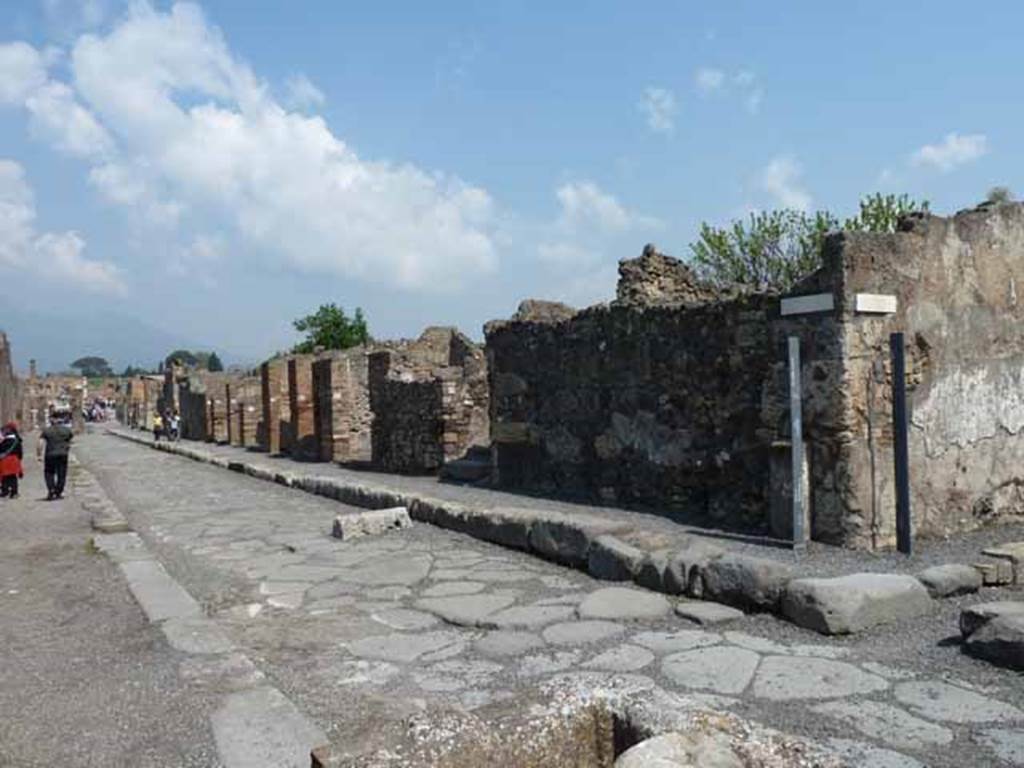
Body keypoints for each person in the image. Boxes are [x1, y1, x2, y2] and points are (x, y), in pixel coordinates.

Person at [37, 417, 73, 500]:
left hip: (50, 454)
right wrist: (67, 448)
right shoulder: (66, 430)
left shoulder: (47, 431)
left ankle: (51, 489)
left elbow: (40, 443)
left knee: (49, 473)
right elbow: (70, 441)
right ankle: (59, 491)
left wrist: (39, 455)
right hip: (63, 454)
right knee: (62, 473)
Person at [0, 422, 23, 499]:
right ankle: (14, 492)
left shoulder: (3, 441)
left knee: (4, 476)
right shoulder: (17, 440)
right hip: (14, 459)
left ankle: (5, 491)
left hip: (4, 460)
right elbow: (20, 452)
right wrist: (19, 459)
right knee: (13, 477)